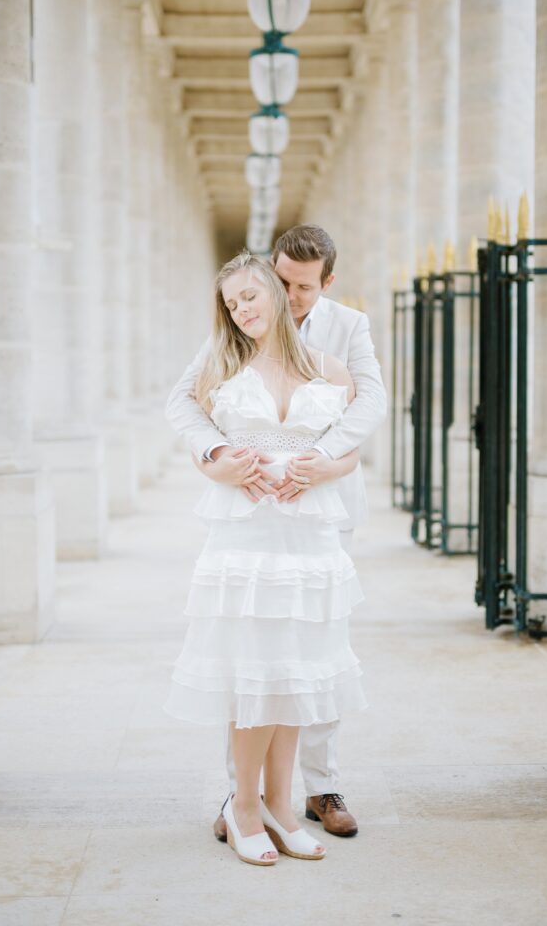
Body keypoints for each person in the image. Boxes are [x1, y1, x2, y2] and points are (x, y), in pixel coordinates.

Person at [166, 224, 387, 840]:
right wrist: (215, 456)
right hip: (248, 529)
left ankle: (315, 788)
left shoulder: (346, 332)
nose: (288, 297)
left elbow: (370, 405)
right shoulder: (228, 346)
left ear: (326, 283)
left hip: (317, 517)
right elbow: (188, 409)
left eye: (301, 287)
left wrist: (326, 461)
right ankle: (241, 798)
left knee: (306, 656)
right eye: (278, 282)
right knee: (249, 662)